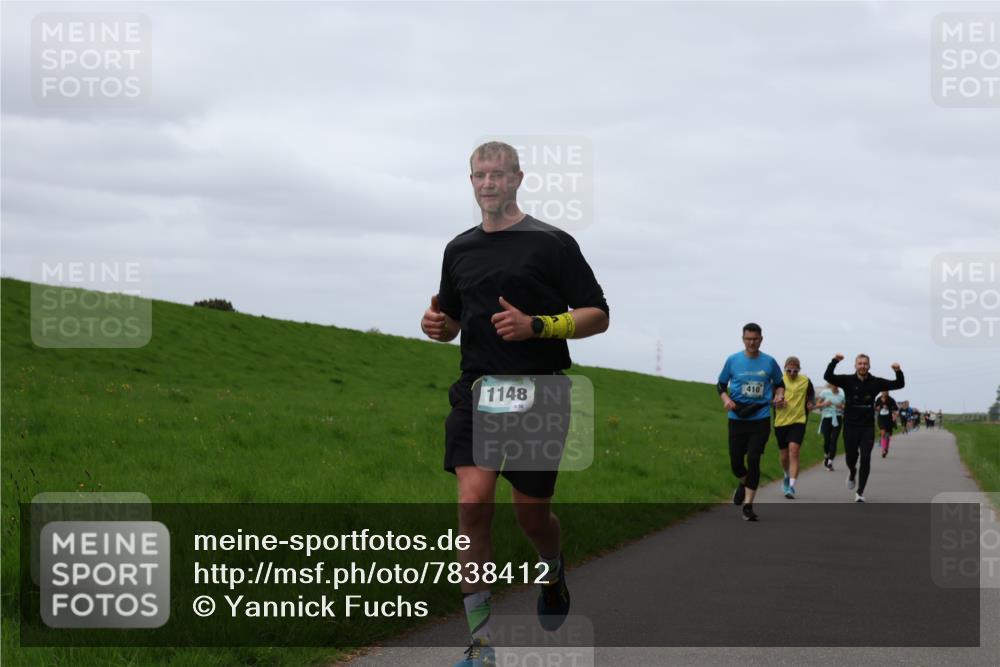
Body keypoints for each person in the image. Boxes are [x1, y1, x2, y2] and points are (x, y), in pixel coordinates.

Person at [422, 141, 610, 667]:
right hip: (477, 391)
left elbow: (598, 314)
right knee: (472, 504)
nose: (488, 183)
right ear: (471, 181)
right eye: (479, 175)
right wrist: (437, 326)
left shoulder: (553, 243)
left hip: (539, 392)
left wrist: (538, 326)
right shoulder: (458, 249)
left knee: (532, 516)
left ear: (518, 179)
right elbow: (452, 320)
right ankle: (481, 643)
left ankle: (552, 567)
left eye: (498, 174)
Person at [717, 323, 785, 521]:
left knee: (754, 458)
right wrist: (726, 399)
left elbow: (780, 384)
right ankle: (744, 482)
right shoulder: (733, 360)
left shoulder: (769, 362)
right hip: (737, 417)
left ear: (761, 339)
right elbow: (721, 385)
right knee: (736, 464)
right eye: (748, 339)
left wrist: (779, 395)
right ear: (743, 339)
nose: (751, 342)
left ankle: (748, 506)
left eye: (755, 339)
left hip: (760, 417)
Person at [824, 354, 905, 502]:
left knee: (866, 458)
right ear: (855, 366)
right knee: (851, 457)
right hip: (850, 425)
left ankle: (860, 492)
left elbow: (899, 384)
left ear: (869, 366)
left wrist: (898, 371)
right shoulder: (847, 380)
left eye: (865, 364)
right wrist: (834, 361)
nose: (862, 366)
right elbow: (828, 376)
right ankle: (852, 471)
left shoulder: (876, 382)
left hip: (867, 426)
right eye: (860, 363)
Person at [772, 356, 815, 498]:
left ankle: (791, 486)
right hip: (780, 422)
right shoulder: (778, 380)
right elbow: (769, 398)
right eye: (789, 371)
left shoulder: (805, 381)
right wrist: (775, 403)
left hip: (798, 421)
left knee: (794, 451)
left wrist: (810, 402)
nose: (792, 373)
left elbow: (811, 395)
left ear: (799, 370)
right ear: (785, 369)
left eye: (795, 371)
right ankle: (786, 475)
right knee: (784, 456)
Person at [815, 382, 845, 470]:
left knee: (834, 440)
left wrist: (841, 406)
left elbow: (845, 406)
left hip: (837, 418)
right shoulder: (825, 392)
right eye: (833, 384)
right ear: (830, 385)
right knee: (827, 441)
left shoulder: (842, 394)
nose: (835, 386)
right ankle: (826, 455)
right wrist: (824, 404)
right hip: (826, 418)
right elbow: (817, 405)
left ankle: (830, 462)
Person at [874, 390, 899, 458]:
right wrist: (877, 408)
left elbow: (896, 409)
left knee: (887, 435)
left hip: (889, 419)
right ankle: (883, 450)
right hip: (881, 418)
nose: (884, 393)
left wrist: (890, 409)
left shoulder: (891, 400)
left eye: (886, 391)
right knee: (883, 433)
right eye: (883, 391)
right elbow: (875, 408)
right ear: (881, 392)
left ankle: (886, 448)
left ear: (888, 392)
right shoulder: (878, 399)